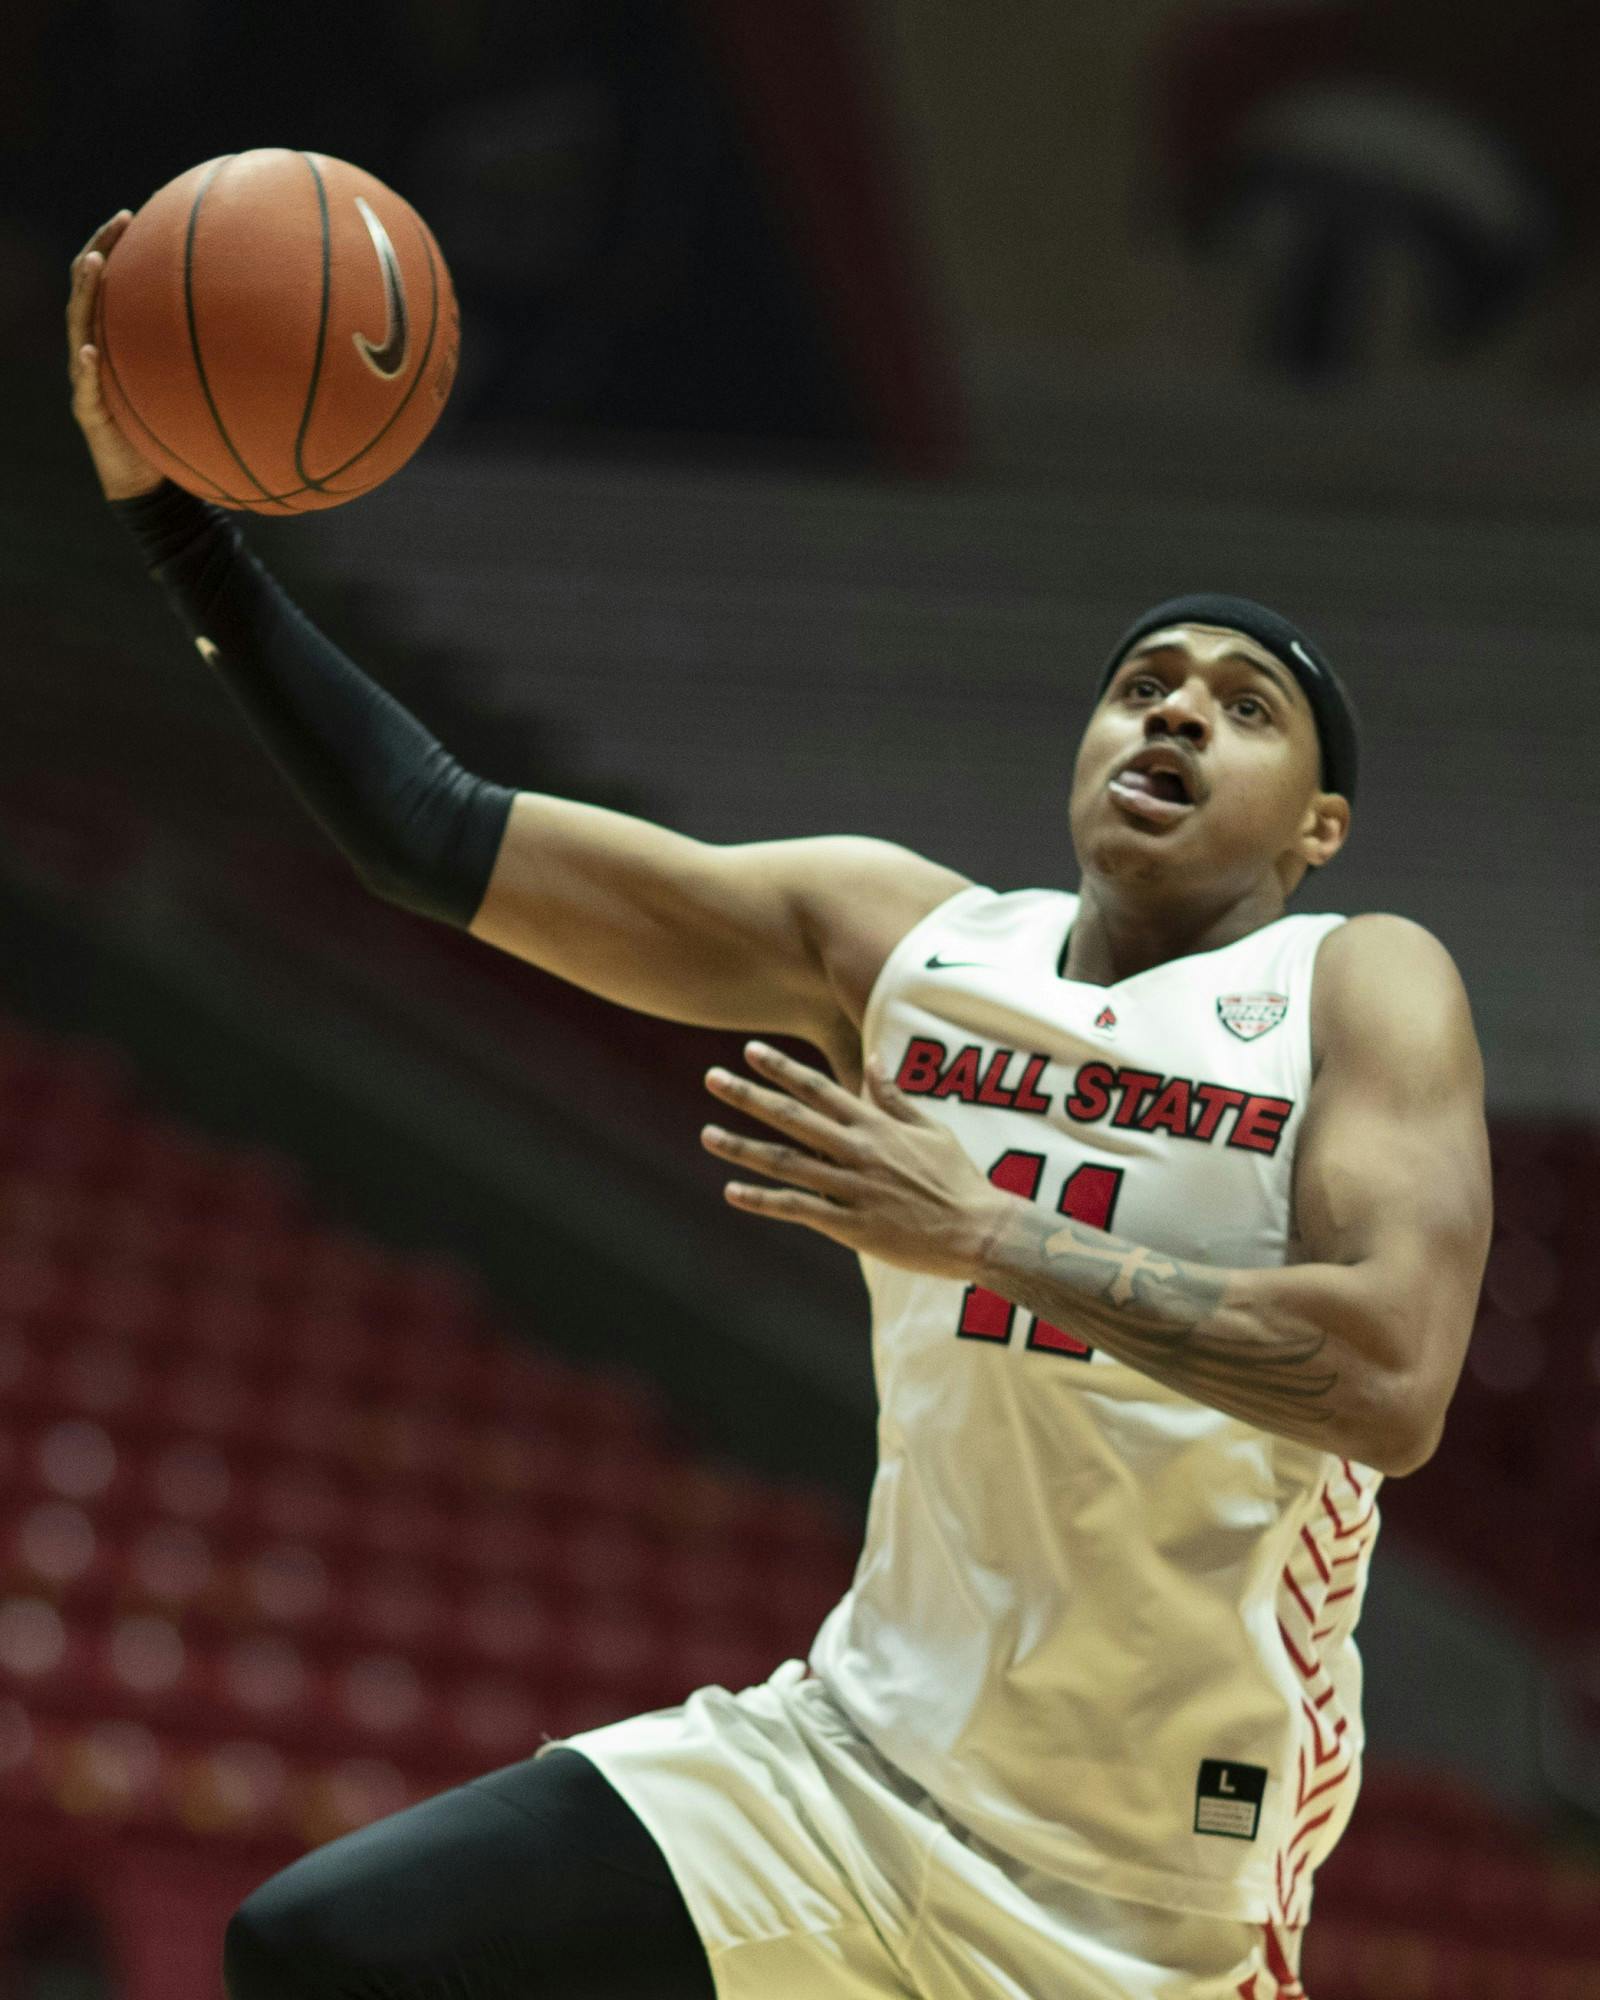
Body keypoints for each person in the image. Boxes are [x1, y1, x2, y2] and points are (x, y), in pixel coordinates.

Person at [68, 212, 1491, 2000]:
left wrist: (983, 1234)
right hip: (844, 1774)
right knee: (321, 1948)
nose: (1178, 714)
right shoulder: (900, 937)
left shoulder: (1360, 980)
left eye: (1245, 706)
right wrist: (174, 520)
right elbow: (429, 827)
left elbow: (1391, 1379)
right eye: (1145, 685)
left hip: (1146, 1899)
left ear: (1314, 830)